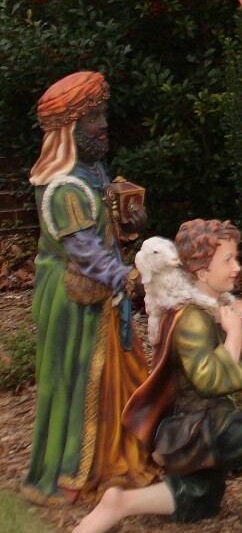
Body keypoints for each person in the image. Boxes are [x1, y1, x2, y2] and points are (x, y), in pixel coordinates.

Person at [68, 219, 242, 533]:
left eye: (235, 258)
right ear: (202, 272)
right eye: (228, 260)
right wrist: (232, 337)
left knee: (201, 497)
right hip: (195, 426)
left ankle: (121, 502)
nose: (237, 268)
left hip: (206, 416)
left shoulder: (211, 308)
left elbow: (239, 370)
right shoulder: (191, 319)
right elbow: (209, 382)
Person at [23, 71, 154, 505]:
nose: (103, 124)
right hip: (73, 302)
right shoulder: (64, 187)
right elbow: (85, 254)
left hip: (102, 296)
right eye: (92, 118)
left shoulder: (93, 171)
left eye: (102, 115)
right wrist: (127, 278)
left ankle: (119, 456)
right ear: (68, 130)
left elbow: (104, 234)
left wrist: (129, 224)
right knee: (80, 381)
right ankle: (74, 473)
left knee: (120, 374)